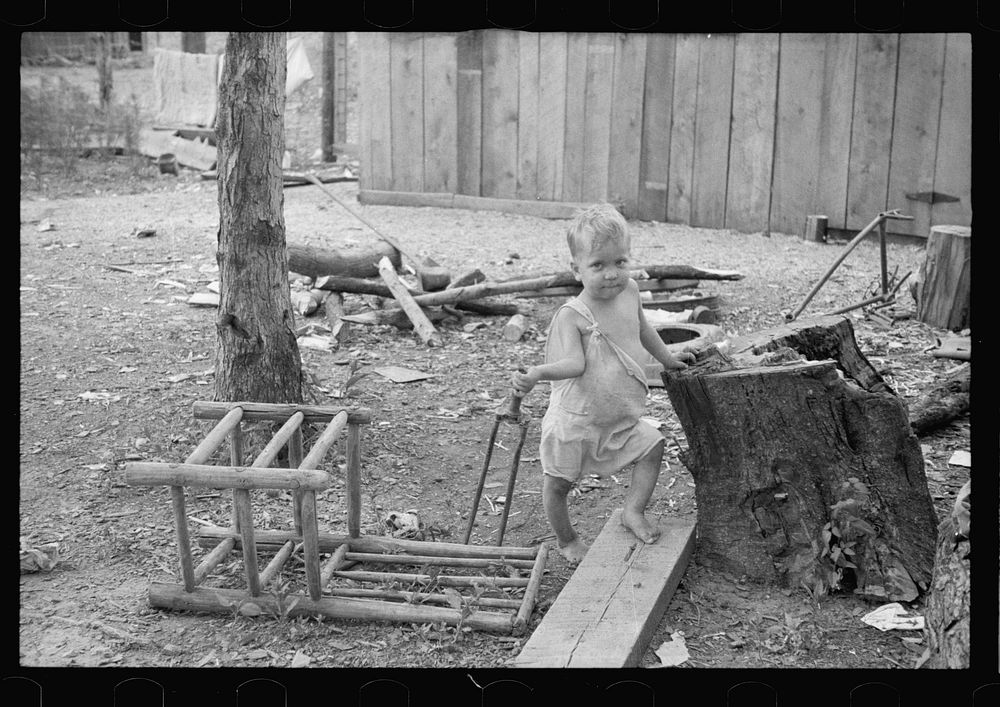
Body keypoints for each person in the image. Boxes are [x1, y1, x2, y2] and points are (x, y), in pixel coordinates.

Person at [512, 203, 695, 564]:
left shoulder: (630, 293)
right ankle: (567, 540)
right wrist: (536, 373)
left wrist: (668, 360)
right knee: (559, 484)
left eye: (620, 262)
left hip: (616, 413)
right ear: (576, 268)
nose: (611, 274)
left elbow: (643, 331)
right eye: (598, 265)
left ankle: (633, 511)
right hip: (577, 420)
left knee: (652, 446)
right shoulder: (573, 315)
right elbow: (572, 364)